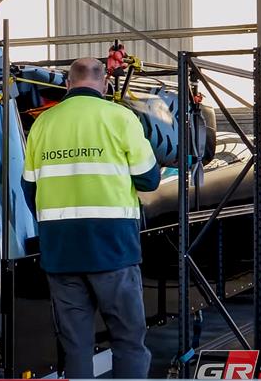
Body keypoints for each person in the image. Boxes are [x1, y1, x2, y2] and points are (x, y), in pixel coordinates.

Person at [22, 58, 160, 379]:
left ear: (68, 84)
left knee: (76, 347)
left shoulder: (43, 123)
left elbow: (29, 188)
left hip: (61, 252)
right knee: (128, 340)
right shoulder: (120, 118)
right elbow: (148, 180)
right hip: (113, 249)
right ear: (106, 85)